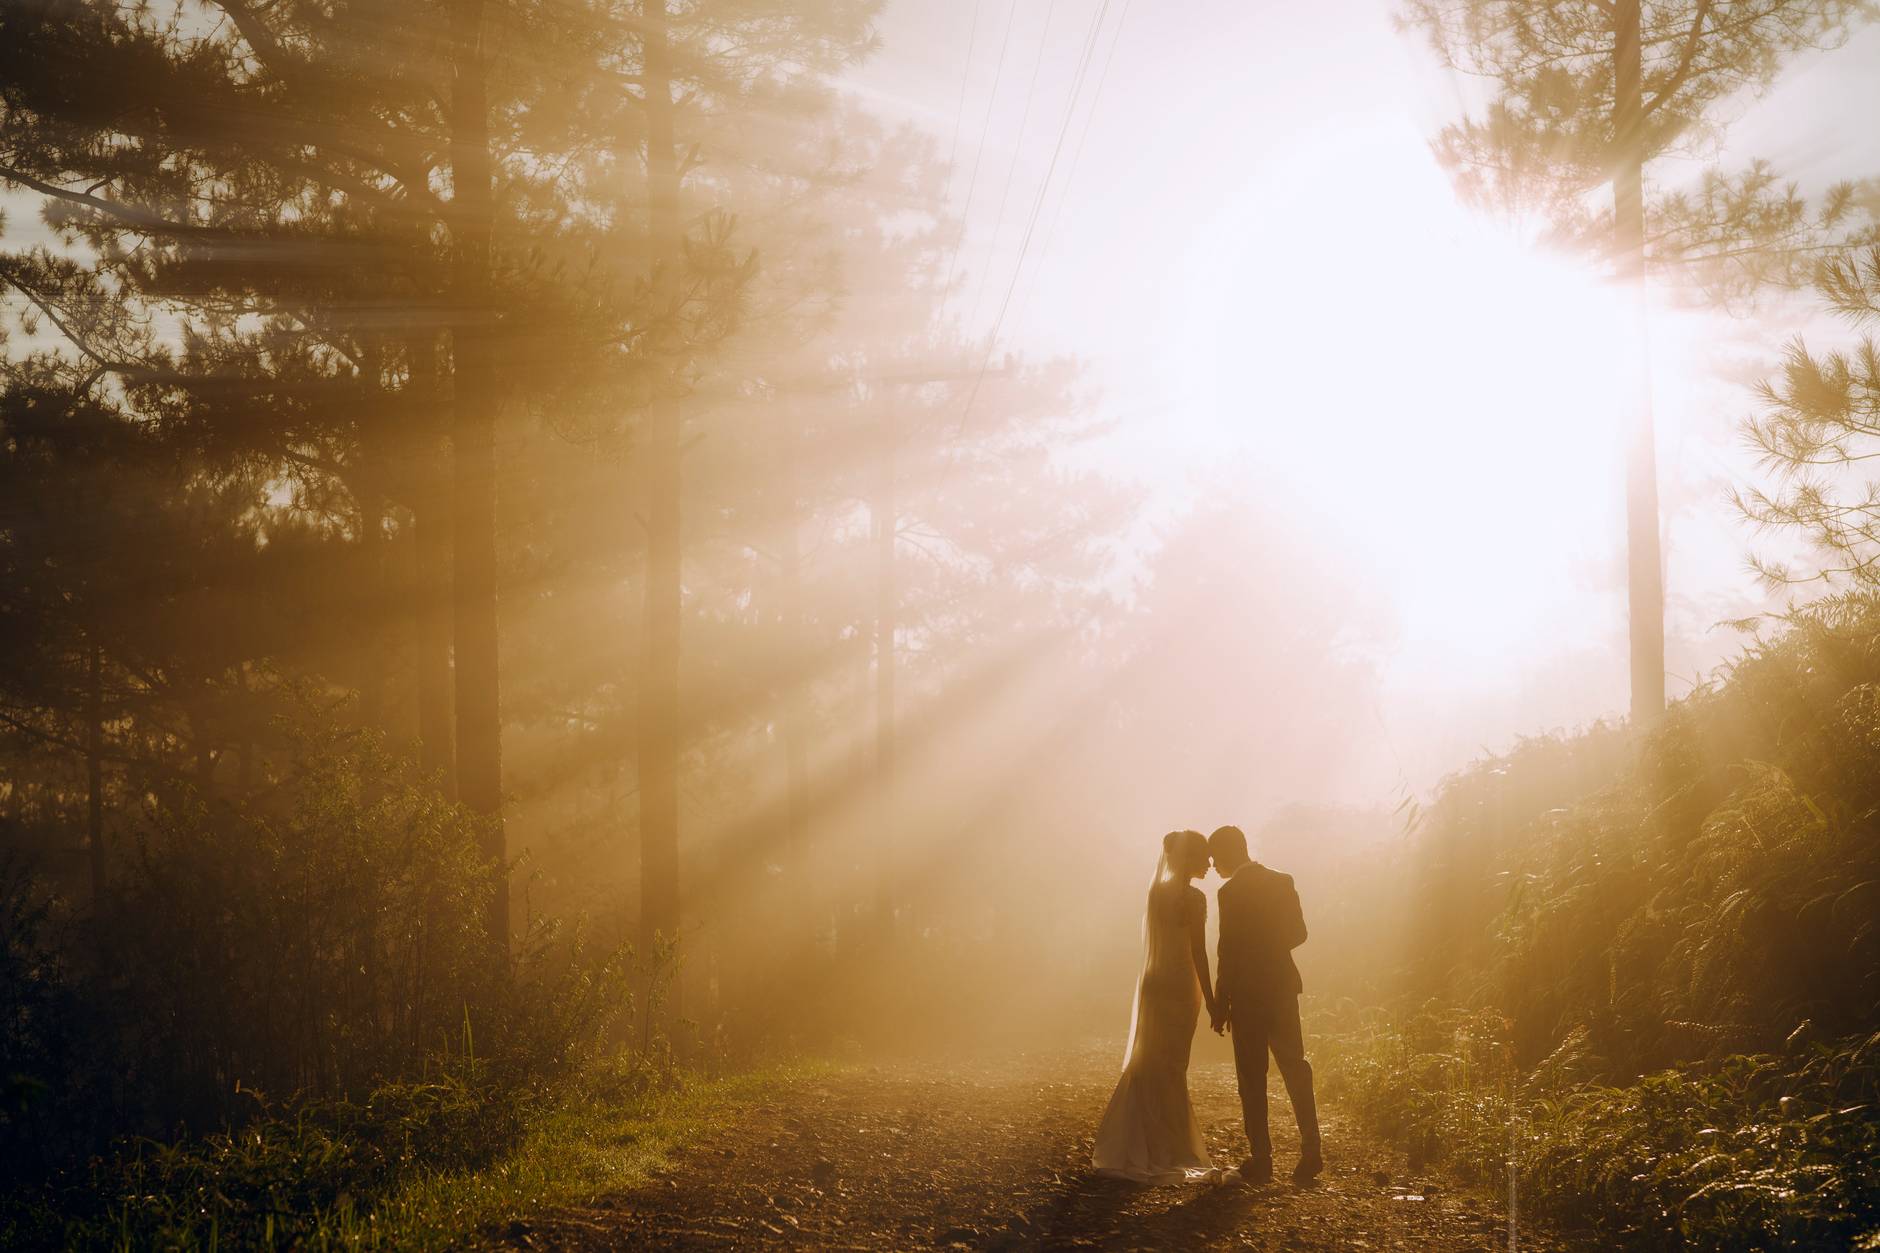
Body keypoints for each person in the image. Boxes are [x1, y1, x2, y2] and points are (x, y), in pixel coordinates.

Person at [1091, 829, 1221, 1183]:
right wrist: (1211, 999)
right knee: (1172, 1066)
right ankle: (1169, 1147)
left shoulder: (1156, 893)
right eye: (1204, 856)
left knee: (1147, 1062)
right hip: (1180, 985)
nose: (1210, 863)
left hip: (1153, 983)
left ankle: (1138, 1142)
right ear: (1189, 858)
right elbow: (1198, 952)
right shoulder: (1194, 899)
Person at [1207, 823, 1323, 1185]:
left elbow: (1226, 949)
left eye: (1214, 859)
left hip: (1245, 994)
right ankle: (1311, 1151)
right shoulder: (1282, 880)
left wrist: (1220, 1001)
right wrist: (1270, 947)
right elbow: (1299, 933)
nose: (1213, 867)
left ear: (1228, 853)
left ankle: (1262, 1159)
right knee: (1295, 1067)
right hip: (1281, 988)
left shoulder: (1229, 893)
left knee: (1251, 1077)